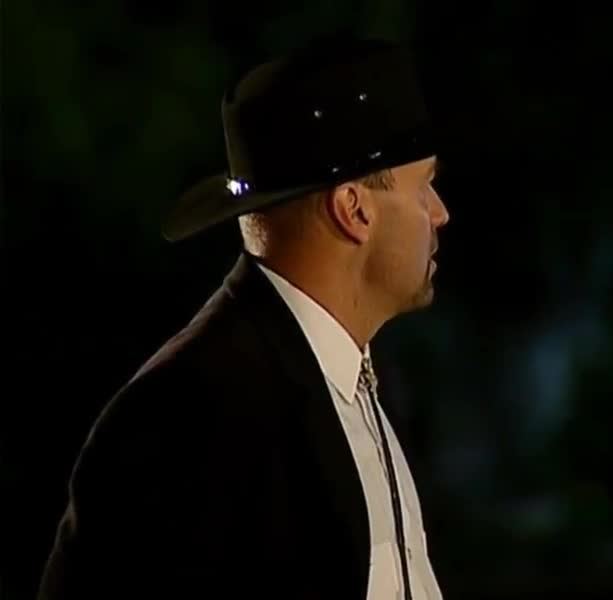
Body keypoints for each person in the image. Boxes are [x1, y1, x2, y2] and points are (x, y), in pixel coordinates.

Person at [37, 34, 450, 599]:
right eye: (425, 186)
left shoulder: (347, 383)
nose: (440, 213)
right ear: (354, 209)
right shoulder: (191, 414)